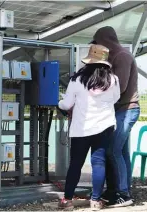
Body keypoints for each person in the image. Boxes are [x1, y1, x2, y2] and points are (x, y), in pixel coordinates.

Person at [58, 44, 120, 211]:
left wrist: (59, 103)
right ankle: (95, 201)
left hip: (81, 128)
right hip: (105, 126)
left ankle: (68, 200)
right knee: (98, 163)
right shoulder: (113, 80)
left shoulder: (76, 80)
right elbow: (115, 99)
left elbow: (67, 104)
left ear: (88, 61)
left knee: (76, 163)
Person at [91, 26, 140, 207]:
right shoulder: (115, 57)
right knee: (122, 152)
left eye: (98, 42)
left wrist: (96, 97)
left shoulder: (122, 57)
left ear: (106, 41)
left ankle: (123, 194)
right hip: (120, 110)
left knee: (112, 150)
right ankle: (121, 189)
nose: (97, 46)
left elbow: (119, 88)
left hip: (127, 110)